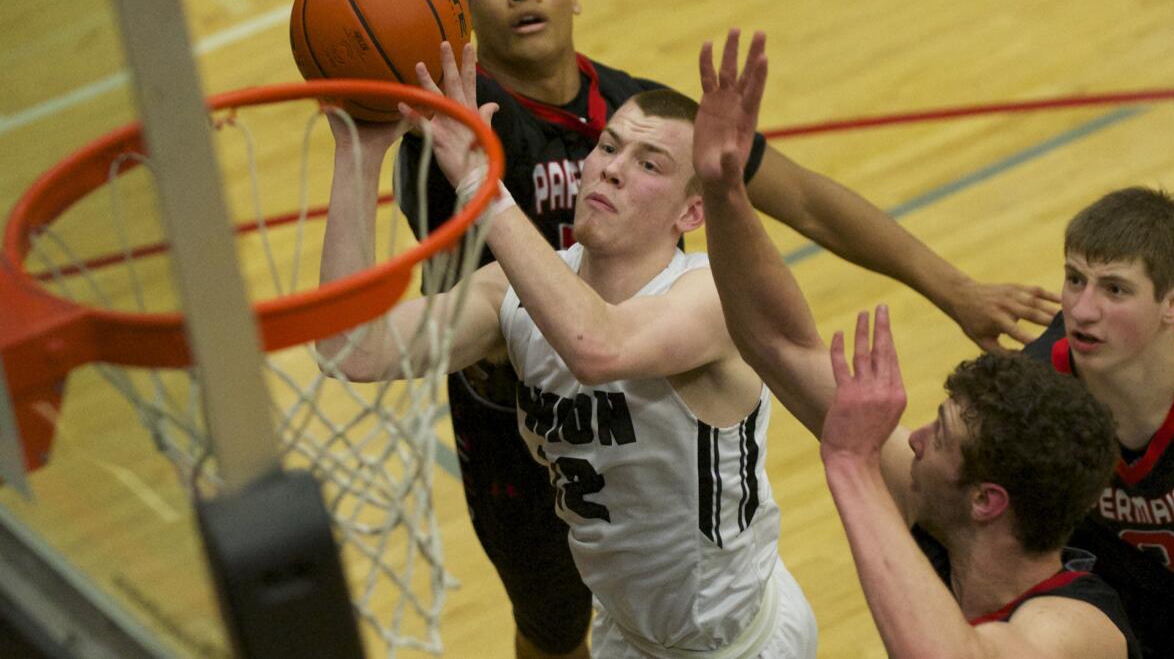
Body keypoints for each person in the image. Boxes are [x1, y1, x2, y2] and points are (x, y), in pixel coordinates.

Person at [394, 0, 1059, 657]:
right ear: (463, 12)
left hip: (650, 401)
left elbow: (807, 198)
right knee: (549, 628)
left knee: (680, 593)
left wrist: (951, 286)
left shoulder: (647, 121)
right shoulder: (457, 123)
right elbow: (388, 42)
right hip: (517, 421)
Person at [320, 39, 818, 658]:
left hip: (738, 645)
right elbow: (352, 348)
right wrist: (360, 152)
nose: (610, 166)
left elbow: (596, 345)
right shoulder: (513, 291)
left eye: (649, 164)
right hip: (626, 636)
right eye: (609, 146)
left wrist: (483, 185)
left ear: (692, 212)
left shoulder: (710, 297)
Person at [693, 28, 1142, 659]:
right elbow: (775, 343)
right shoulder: (944, 514)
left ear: (987, 500)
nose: (916, 439)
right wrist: (725, 191)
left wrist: (850, 466)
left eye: (942, 434)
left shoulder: (1076, 630)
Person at [1023, 187, 1174, 659]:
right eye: (1074, 280)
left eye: (1114, 289)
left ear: (1173, 304)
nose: (1082, 309)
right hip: (1106, 624)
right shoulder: (1027, 394)